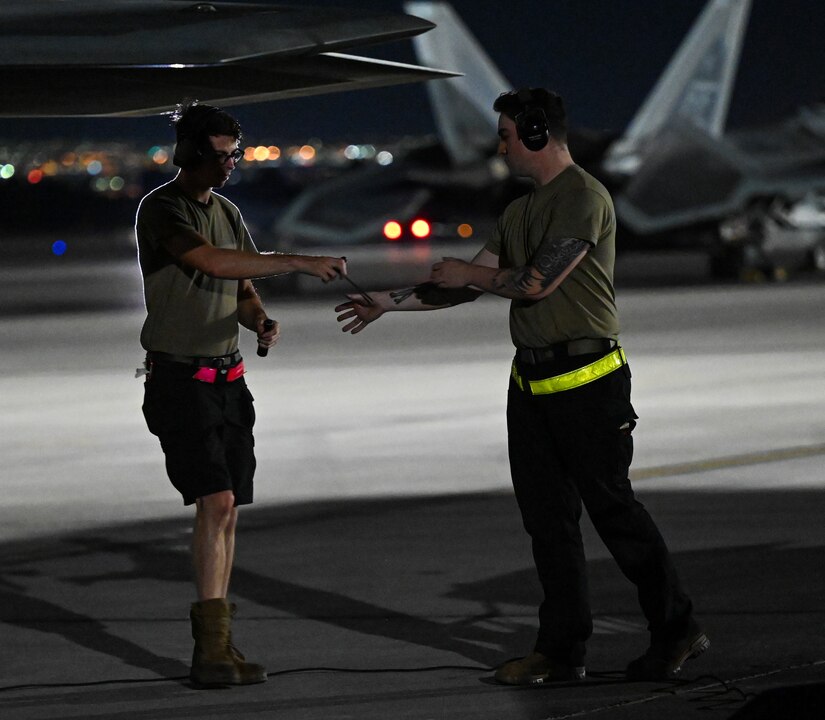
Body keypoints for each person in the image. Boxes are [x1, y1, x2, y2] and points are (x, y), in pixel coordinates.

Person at [335, 88, 708, 684]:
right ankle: (561, 651)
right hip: (531, 385)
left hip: (587, 382)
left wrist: (471, 273)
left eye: (506, 132)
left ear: (536, 133)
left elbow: (537, 282)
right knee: (548, 525)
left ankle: (676, 628)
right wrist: (385, 302)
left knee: (614, 511)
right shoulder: (518, 211)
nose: (499, 144)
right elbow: (467, 284)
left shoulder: (583, 197)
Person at [136, 101, 346, 687]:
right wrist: (299, 261)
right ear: (193, 154)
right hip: (181, 379)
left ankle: (220, 644)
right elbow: (206, 260)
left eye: (236, 153)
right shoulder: (163, 208)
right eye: (222, 154)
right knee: (217, 503)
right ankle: (209, 649)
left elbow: (243, 284)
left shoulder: (226, 211)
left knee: (227, 512)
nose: (231, 165)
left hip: (227, 379)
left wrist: (258, 320)